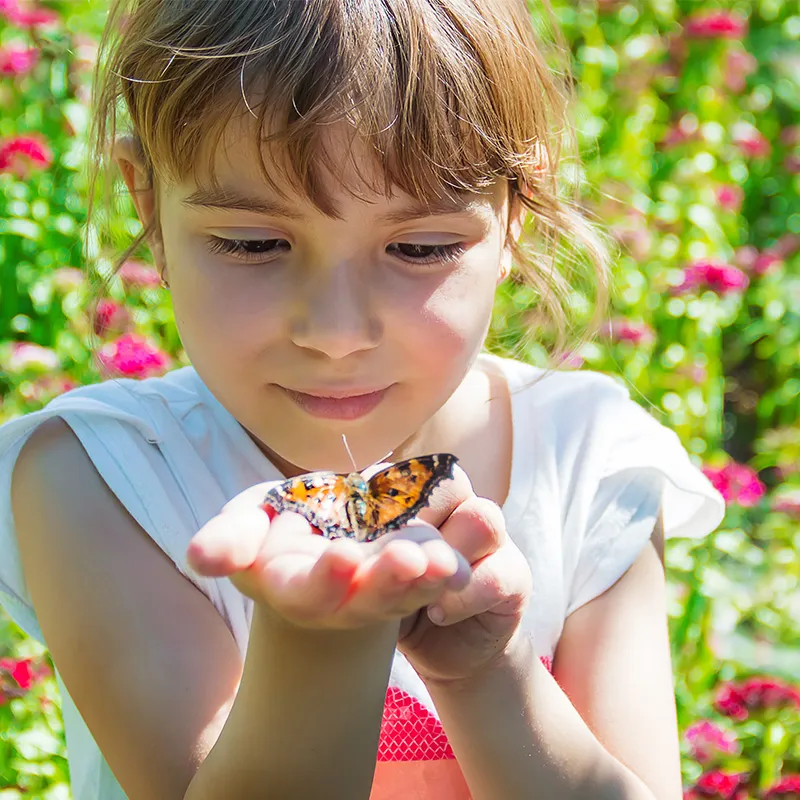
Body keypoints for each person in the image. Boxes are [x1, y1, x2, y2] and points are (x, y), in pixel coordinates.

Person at [0, 1, 725, 798]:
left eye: (420, 248)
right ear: (149, 205)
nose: (337, 334)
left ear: (515, 215)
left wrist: (490, 668)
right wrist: (323, 640)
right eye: (253, 244)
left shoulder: (589, 463)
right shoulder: (101, 479)